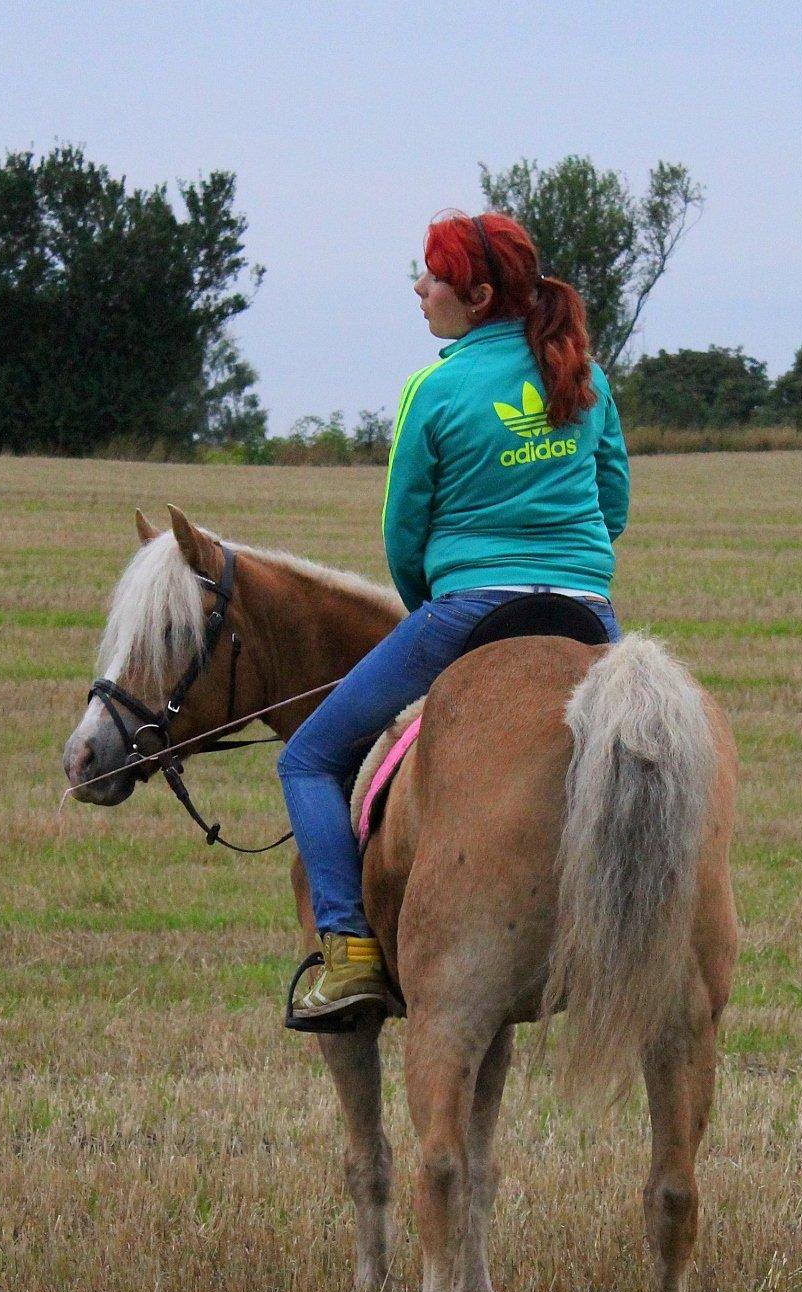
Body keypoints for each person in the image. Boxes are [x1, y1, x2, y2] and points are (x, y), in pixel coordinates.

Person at [280, 210, 629, 1027]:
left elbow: (404, 527)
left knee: (307, 759)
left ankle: (348, 953)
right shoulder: (586, 374)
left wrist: (427, 603)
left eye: (429, 278)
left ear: (472, 296)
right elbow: (610, 501)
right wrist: (568, 565)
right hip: (586, 612)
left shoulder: (432, 388)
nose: (417, 290)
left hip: (465, 611)